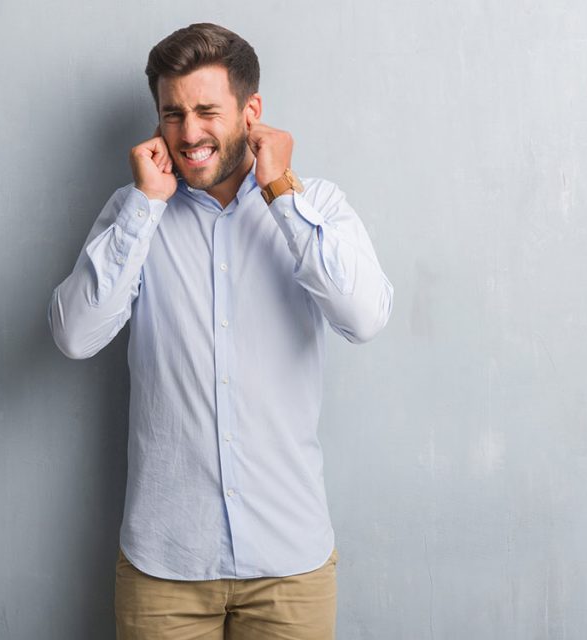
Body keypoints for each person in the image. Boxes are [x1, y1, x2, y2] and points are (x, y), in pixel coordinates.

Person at [46, 22, 393, 639]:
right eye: (172, 114)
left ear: (251, 110)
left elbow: (363, 317)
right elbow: (75, 335)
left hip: (290, 565)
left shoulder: (320, 207)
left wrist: (281, 193)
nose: (188, 133)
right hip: (165, 567)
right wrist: (146, 205)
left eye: (207, 110)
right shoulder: (136, 214)